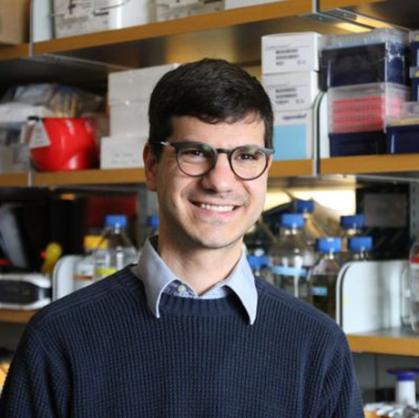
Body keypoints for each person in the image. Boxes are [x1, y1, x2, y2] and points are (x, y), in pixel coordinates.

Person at [0, 59, 364, 417]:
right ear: (152, 165)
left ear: (267, 169)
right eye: (195, 153)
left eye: (246, 156)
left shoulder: (317, 345)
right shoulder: (59, 339)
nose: (220, 181)